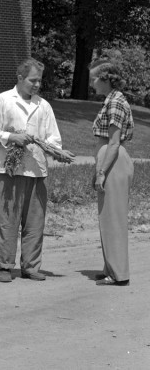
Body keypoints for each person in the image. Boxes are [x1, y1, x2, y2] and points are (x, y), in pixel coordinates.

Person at [0, 58, 74, 283]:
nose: (36, 85)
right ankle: (5, 265)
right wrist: (11, 137)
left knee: (34, 221)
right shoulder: (2, 101)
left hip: (36, 169)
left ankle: (31, 266)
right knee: (8, 218)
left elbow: (53, 137)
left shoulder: (44, 105)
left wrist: (53, 149)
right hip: (8, 169)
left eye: (39, 81)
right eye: (33, 80)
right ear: (20, 78)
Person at [89, 60, 134, 286]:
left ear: (106, 79)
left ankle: (118, 274)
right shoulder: (112, 100)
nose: (92, 82)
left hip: (113, 161)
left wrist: (101, 173)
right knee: (107, 218)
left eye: (95, 78)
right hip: (109, 159)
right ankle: (110, 268)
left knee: (113, 218)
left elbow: (114, 143)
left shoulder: (115, 102)